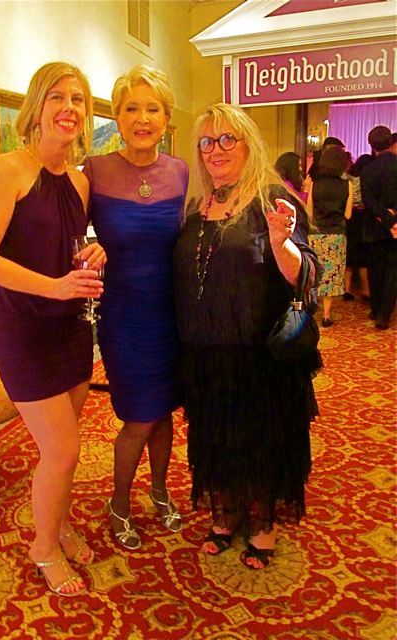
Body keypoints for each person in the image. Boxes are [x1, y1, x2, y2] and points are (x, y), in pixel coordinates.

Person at [0, 62, 105, 596]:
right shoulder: (9, 169)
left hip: (71, 327)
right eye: (57, 97)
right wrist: (53, 287)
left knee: (62, 449)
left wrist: (96, 251)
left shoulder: (80, 181)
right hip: (24, 330)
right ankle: (43, 546)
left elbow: (69, 244)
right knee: (63, 450)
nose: (69, 107)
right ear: (37, 107)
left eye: (78, 99)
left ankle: (60, 524)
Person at [173, 103, 321, 570]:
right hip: (205, 350)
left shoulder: (271, 199)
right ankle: (225, 513)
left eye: (226, 139)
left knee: (258, 438)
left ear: (248, 143)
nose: (215, 150)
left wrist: (281, 244)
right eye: (206, 141)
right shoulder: (196, 207)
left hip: (257, 354)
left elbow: (308, 275)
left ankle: (260, 524)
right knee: (214, 435)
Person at [83, 65, 188, 549]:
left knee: (163, 412)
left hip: (171, 316)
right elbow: (70, 235)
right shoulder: (95, 170)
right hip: (123, 316)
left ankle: (160, 491)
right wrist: (87, 250)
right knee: (140, 416)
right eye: (131, 109)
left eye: (152, 109)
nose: (142, 119)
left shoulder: (181, 171)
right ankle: (120, 502)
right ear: (117, 117)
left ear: (166, 118)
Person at [307, 144, 353, 327]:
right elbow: (348, 215)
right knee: (332, 274)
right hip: (337, 234)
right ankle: (326, 315)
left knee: (315, 271)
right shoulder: (347, 185)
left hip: (316, 234)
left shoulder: (314, 185)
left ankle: (311, 309)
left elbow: (309, 212)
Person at [360, 125, 397, 330]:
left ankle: (375, 309)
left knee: (375, 271)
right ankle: (384, 314)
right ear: (390, 142)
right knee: (392, 272)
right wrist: (393, 218)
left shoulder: (367, 170)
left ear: (371, 146)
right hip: (395, 228)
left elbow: (369, 201)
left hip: (374, 227)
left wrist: (384, 217)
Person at [343, 154, 373, 301]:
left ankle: (347, 290)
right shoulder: (368, 181)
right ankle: (366, 291)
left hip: (349, 218)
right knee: (363, 257)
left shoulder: (347, 180)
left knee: (349, 255)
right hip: (365, 218)